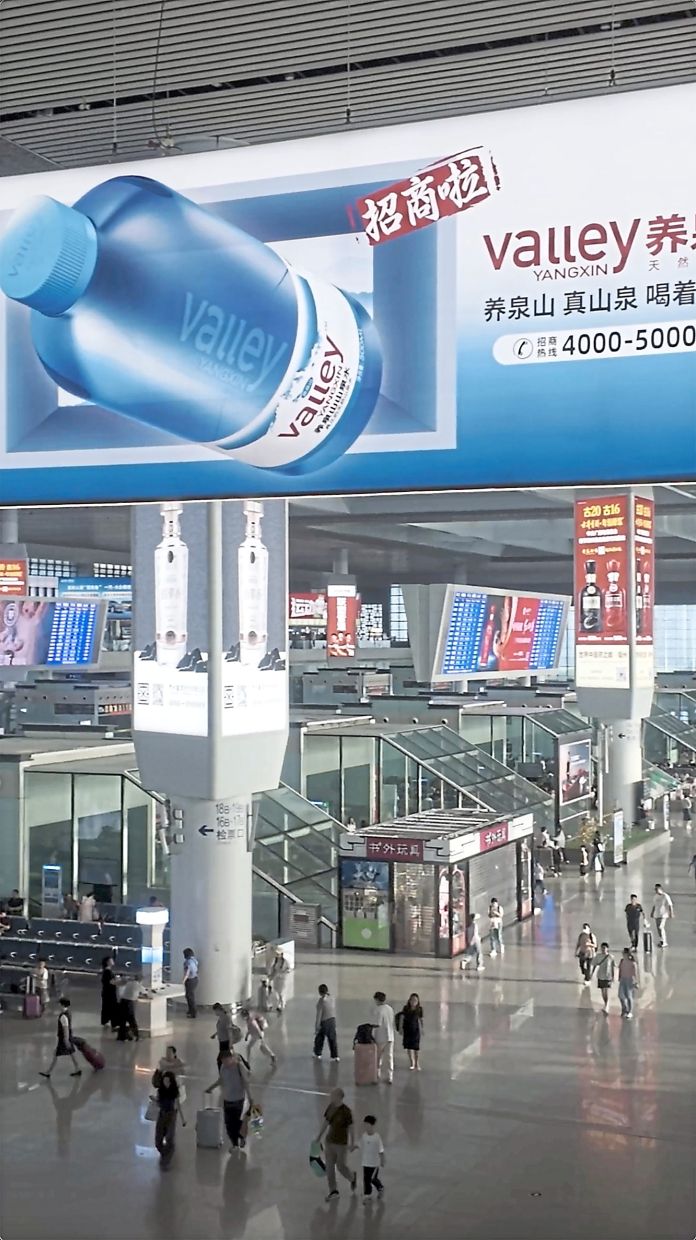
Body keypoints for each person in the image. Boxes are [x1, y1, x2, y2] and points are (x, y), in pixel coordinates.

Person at [205, 1049, 253, 1152]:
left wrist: (250, 1097)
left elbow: (246, 1082)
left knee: (236, 1122)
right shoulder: (223, 1067)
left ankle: (241, 1137)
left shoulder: (239, 1067)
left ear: (231, 1058)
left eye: (226, 1060)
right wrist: (211, 1088)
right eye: (222, 1061)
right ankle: (235, 1143)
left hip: (238, 1100)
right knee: (228, 1124)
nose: (224, 1063)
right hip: (227, 1100)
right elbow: (221, 1080)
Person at [316, 1087, 357, 1202]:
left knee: (341, 1166)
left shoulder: (346, 1112)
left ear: (339, 1097)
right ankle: (333, 1191)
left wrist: (352, 1143)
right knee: (329, 1168)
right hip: (329, 1142)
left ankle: (352, 1177)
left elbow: (351, 1127)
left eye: (333, 1095)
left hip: (341, 1144)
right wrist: (318, 1137)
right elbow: (326, 1122)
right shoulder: (330, 1107)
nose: (331, 1097)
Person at [40, 997, 81, 1078]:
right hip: (68, 1037)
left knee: (57, 1054)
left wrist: (66, 1039)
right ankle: (77, 1069)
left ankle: (48, 1072)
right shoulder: (68, 1013)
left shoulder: (63, 1016)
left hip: (64, 1038)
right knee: (70, 1052)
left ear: (62, 1004)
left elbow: (65, 1028)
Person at [154, 1070, 183, 1167]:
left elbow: (178, 1105)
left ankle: (166, 1160)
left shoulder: (174, 1092)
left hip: (171, 1115)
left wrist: (183, 1119)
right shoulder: (160, 1091)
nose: (166, 1083)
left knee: (170, 1137)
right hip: (162, 1114)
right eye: (165, 1081)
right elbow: (158, 1102)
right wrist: (154, 1100)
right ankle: (164, 1153)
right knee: (158, 1139)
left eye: (168, 1081)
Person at [355, 1114, 385, 1202]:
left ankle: (380, 1187)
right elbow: (360, 1144)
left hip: (375, 1163)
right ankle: (368, 1194)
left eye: (367, 1125)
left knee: (372, 1178)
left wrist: (382, 1160)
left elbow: (381, 1150)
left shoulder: (377, 1137)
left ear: (372, 1125)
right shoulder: (364, 1136)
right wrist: (354, 1147)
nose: (365, 1126)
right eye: (365, 1125)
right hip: (366, 1162)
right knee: (366, 1179)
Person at [371, 991, 395, 1084]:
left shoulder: (378, 1010)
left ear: (377, 999)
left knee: (378, 1057)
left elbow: (378, 1024)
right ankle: (390, 1076)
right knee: (389, 1056)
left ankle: (377, 1075)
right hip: (390, 1036)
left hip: (381, 1036)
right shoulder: (390, 1008)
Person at [397, 993, 423, 1070]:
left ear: (418, 1001)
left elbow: (421, 1019)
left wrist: (422, 1028)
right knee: (408, 1046)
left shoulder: (419, 1009)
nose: (413, 1002)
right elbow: (402, 1018)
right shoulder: (406, 1008)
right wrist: (400, 1028)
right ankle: (412, 1062)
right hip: (407, 1030)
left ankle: (417, 1063)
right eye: (412, 1000)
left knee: (416, 1047)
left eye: (415, 1000)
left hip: (415, 1030)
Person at [313, 983, 339, 1061]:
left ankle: (318, 1054)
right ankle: (335, 1056)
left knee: (319, 1038)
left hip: (324, 1022)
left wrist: (317, 1027)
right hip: (332, 1020)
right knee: (332, 1039)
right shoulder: (332, 998)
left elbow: (319, 1015)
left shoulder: (321, 1002)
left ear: (320, 992)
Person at [591, 942, 616, 1013]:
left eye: (604, 948)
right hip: (600, 976)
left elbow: (612, 967)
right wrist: (592, 974)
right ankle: (605, 1003)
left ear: (607, 949)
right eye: (602, 948)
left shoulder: (611, 957)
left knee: (606, 990)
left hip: (608, 976)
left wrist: (613, 976)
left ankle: (607, 1004)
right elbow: (594, 965)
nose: (603, 949)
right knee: (602, 991)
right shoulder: (598, 956)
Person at [116, 974, 141, 1041]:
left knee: (122, 1020)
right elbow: (144, 992)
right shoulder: (138, 985)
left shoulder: (129, 983)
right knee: (132, 1020)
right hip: (129, 1003)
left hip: (122, 1002)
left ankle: (121, 1036)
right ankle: (137, 1035)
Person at [211, 1003, 235, 1068]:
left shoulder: (226, 1017)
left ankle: (223, 1075)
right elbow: (221, 1029)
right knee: (223, 1060)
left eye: (215, 1011)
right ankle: (224, 1074)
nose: (215, 1013)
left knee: (221, 1060)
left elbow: (229, 1030)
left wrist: (230, 1043)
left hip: (226, 1042)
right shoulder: (221, 1017)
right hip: (222, 1041)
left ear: (218, 1010)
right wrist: (215, 1034)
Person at [618, 948, 639, 1019]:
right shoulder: (622, 961)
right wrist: (619, 977)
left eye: (624, 953)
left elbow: (635, 973)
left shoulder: (632, 963)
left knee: (629, 996)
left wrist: (635, 982)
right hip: (623, 979)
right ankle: (624, 1008)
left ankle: (630, 1011)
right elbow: (620, 969)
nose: (623, 955)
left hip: (629, 980)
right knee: (621, 995)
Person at [100, 955, 119, 1030]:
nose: (113, 961)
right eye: (111, 960)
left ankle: (105, 1021)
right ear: (108, 962)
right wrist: (120, 982)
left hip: (107, 992)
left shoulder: (107, 971)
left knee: (107, 1007)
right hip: (110, 993)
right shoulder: (108, 972)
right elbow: (111, 982)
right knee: (113, 1007)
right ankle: (114, 1024)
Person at [269, 947, 290, 1012]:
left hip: (282, 979)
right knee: (276, 992)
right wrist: (271, 977)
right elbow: (273, 969)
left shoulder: (285, 962)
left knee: (281, 993)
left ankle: (282, 1005)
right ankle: (279, 1004)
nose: (277, 955)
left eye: (278, 954)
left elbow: (288, 969)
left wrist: (282, 973)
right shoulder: (275, 961)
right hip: (276, 978)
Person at [182, 947, 198, 1018]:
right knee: (190, 996)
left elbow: (187, 972)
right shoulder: (194, 960)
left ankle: (193, 1012)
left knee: (189, 997)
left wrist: (183, 980)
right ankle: (191, 1010)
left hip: (190, 980)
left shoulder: (187, 962)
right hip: (195, 979)